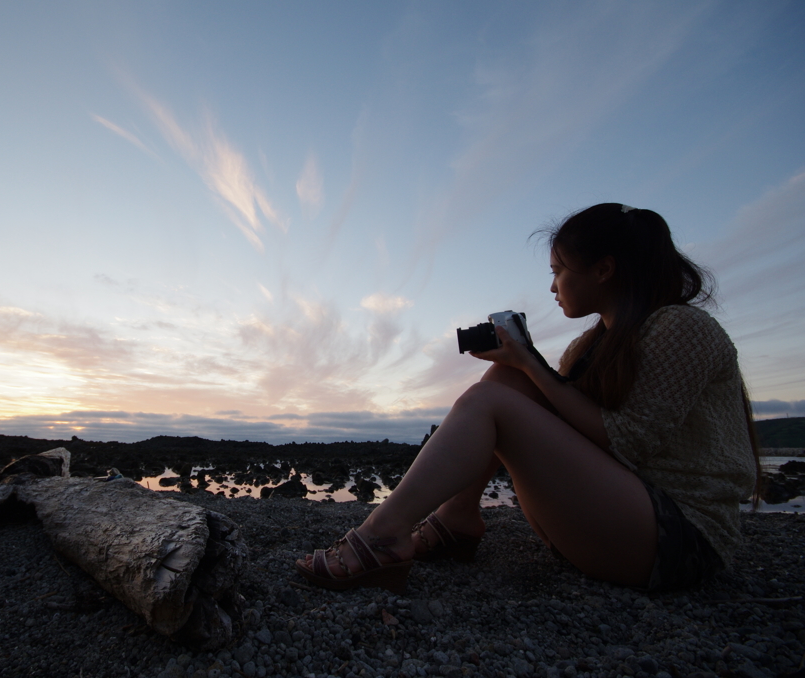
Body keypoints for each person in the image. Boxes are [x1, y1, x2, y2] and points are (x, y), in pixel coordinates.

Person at [296, 203, 760, 594]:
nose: (552, 286)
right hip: (620, 522)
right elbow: (560, 420)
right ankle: (457, 518)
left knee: (495, 398)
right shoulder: (592, 345)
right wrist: (521, 365)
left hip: (679, 541)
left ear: (604, 269)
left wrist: (531, 363)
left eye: (558, 271)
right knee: (506, 380)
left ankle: (381, 536)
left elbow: (628, 443)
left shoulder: (682, 328)